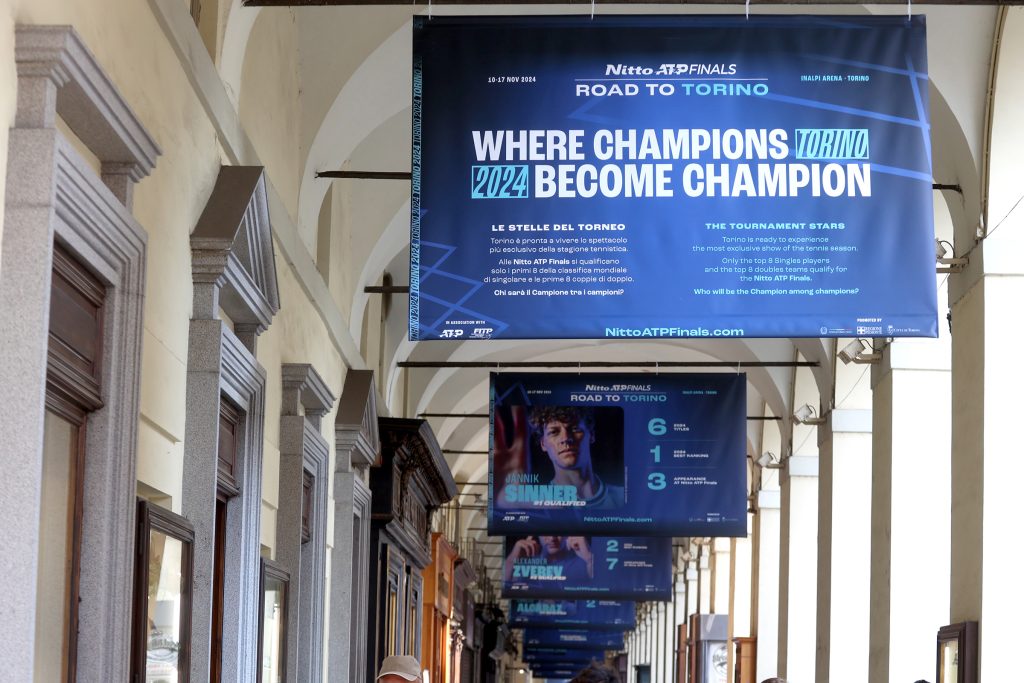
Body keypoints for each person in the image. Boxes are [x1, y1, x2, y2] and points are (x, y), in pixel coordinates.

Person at [494, 405, 625, 509]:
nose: (566, 439)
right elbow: (507, 502)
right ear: (543, 444)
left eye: (575, 429)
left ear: (591, 435)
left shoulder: (623, 497)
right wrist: (501, 498)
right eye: (554, 432)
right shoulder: (533, 502)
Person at [504, 535, 593, 582]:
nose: (552, 538)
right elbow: (504, 586)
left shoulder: (583, 561)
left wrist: (589, 560)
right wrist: (512, 559)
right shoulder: (527, 562)